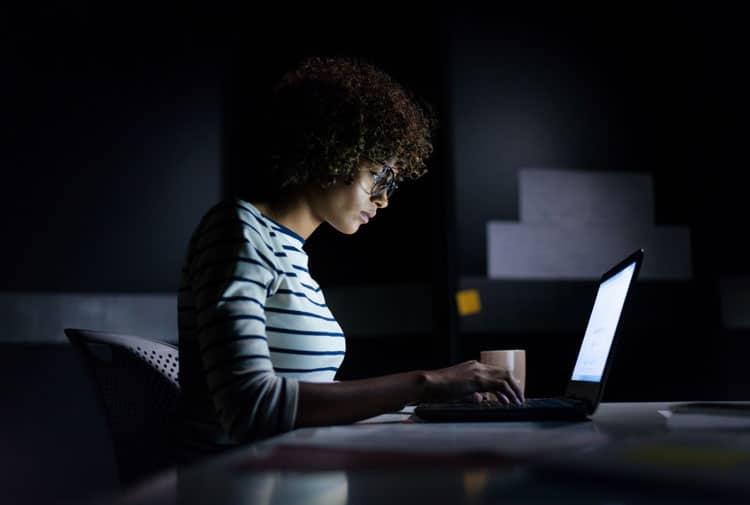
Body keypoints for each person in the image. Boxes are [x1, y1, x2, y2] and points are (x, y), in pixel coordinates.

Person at [173, 56, 524, 463]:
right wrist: (428, 383)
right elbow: (250, 408)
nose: (384, 199)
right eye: (379, 176)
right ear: (330, 150)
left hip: (297, 473)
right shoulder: (236, 229)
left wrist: (433, 403)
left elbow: (311, 396)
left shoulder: (293, 259)